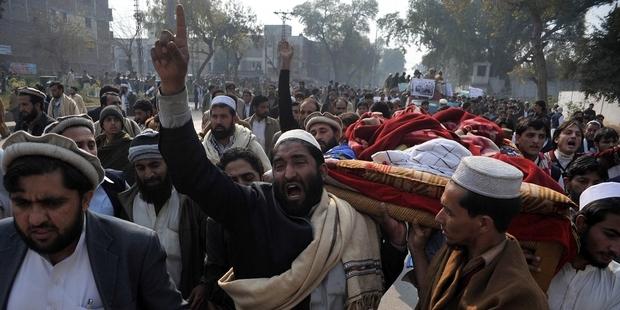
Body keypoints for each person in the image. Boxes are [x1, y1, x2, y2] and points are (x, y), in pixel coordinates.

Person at [151, 10, 404, 308]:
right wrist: (173, 87)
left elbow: (382, 283)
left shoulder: (352, 220)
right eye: (280, 164)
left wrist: (397, 243)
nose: (288, 173)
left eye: (299, 162)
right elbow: (191, 172)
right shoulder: (253, 207)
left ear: (321, 171)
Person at [0, 131, 186, 309]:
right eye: (22, 203)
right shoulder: (3, 241)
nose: (36, 219)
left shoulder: (135, 249)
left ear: (86, 200)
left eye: (52, 203)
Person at [410, 156, 548, 309]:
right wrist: (417, 249)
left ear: (483, 223)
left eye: (449, 212)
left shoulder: (519, 297)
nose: (438, 218)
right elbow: (429, 299)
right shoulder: (458, 248)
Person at [117, 130, 207, 301]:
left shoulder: (190, 202)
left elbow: (211, 250)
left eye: (155, 165)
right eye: (141, 168)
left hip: (186, 298)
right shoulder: (126, 205)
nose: (148, 174)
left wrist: (204, 284)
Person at [205, 148, 267, 310]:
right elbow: (215, 275)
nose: (242, 186)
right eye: (233, 181)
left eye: (248, 178)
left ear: (262, 177)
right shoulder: (216, 223)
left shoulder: (282, 212)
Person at [546, 182, 620, 309]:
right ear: (581, 223)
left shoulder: (616, 282)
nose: (616, 250)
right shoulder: (541, 259)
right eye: (610, 235)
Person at [44, 114, 129, 218]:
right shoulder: (43, 192)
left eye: (91, 145)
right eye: (77, 146)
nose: (87, 152)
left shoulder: (116, 184)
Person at [201, 95, 270, 170]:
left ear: (234, 119)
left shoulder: (249, 143)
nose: (218, 122)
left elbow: (267, 174)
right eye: (214, 117)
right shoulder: (204, 148)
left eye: (223, 116)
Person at [96, 105, 134, 184]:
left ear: (121, 124)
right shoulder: (96, 144)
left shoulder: (129, 145)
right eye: (108, 120)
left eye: (116, 120)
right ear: (102, 124)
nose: (113, 123)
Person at [545, 119, 583, 188]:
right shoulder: (544, 160)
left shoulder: (584, 162)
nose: (574, 136)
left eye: (578, 135)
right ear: (556, 139)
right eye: (568, 133)